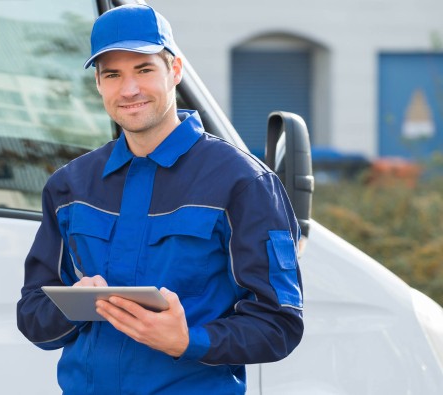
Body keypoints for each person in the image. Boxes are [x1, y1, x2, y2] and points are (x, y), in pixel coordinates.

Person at [17, 4, 303, 394]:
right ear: (99, 84)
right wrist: (71, 307)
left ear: (175, 71)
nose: (129, 89)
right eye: (113, 74)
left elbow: (279, 324)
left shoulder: (242, 181)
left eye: (144, 69)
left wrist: (188, 341)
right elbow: (33, 316)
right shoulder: (70, 186)